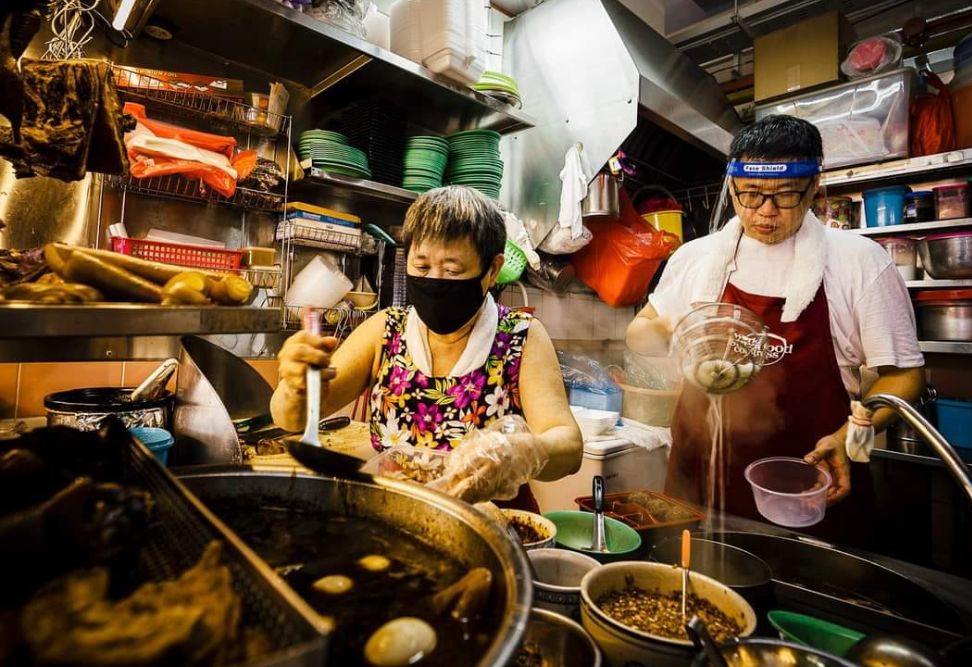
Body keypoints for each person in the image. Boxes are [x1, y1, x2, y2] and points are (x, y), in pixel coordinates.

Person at [626, 115, 925, 543]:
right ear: (731, 187)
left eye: (785, 196)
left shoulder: (859, 262)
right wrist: (679, 327)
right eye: (750, 195)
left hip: (809, 486)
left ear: (814, 186)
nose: (765, 212)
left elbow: (906, 374)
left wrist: (850, 435)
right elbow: (639, 335)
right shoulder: (697, 258)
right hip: (699, 487)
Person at [271, 186, 583, 509]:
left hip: (492, 528)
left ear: (491, 270)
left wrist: (522, 452)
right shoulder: (385, 331)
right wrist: (294, 385)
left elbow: (569, 445)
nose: (434, 280)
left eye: (452, 270)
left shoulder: (520, 337)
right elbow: (289, 418)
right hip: (400, 519)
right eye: (421, 267)